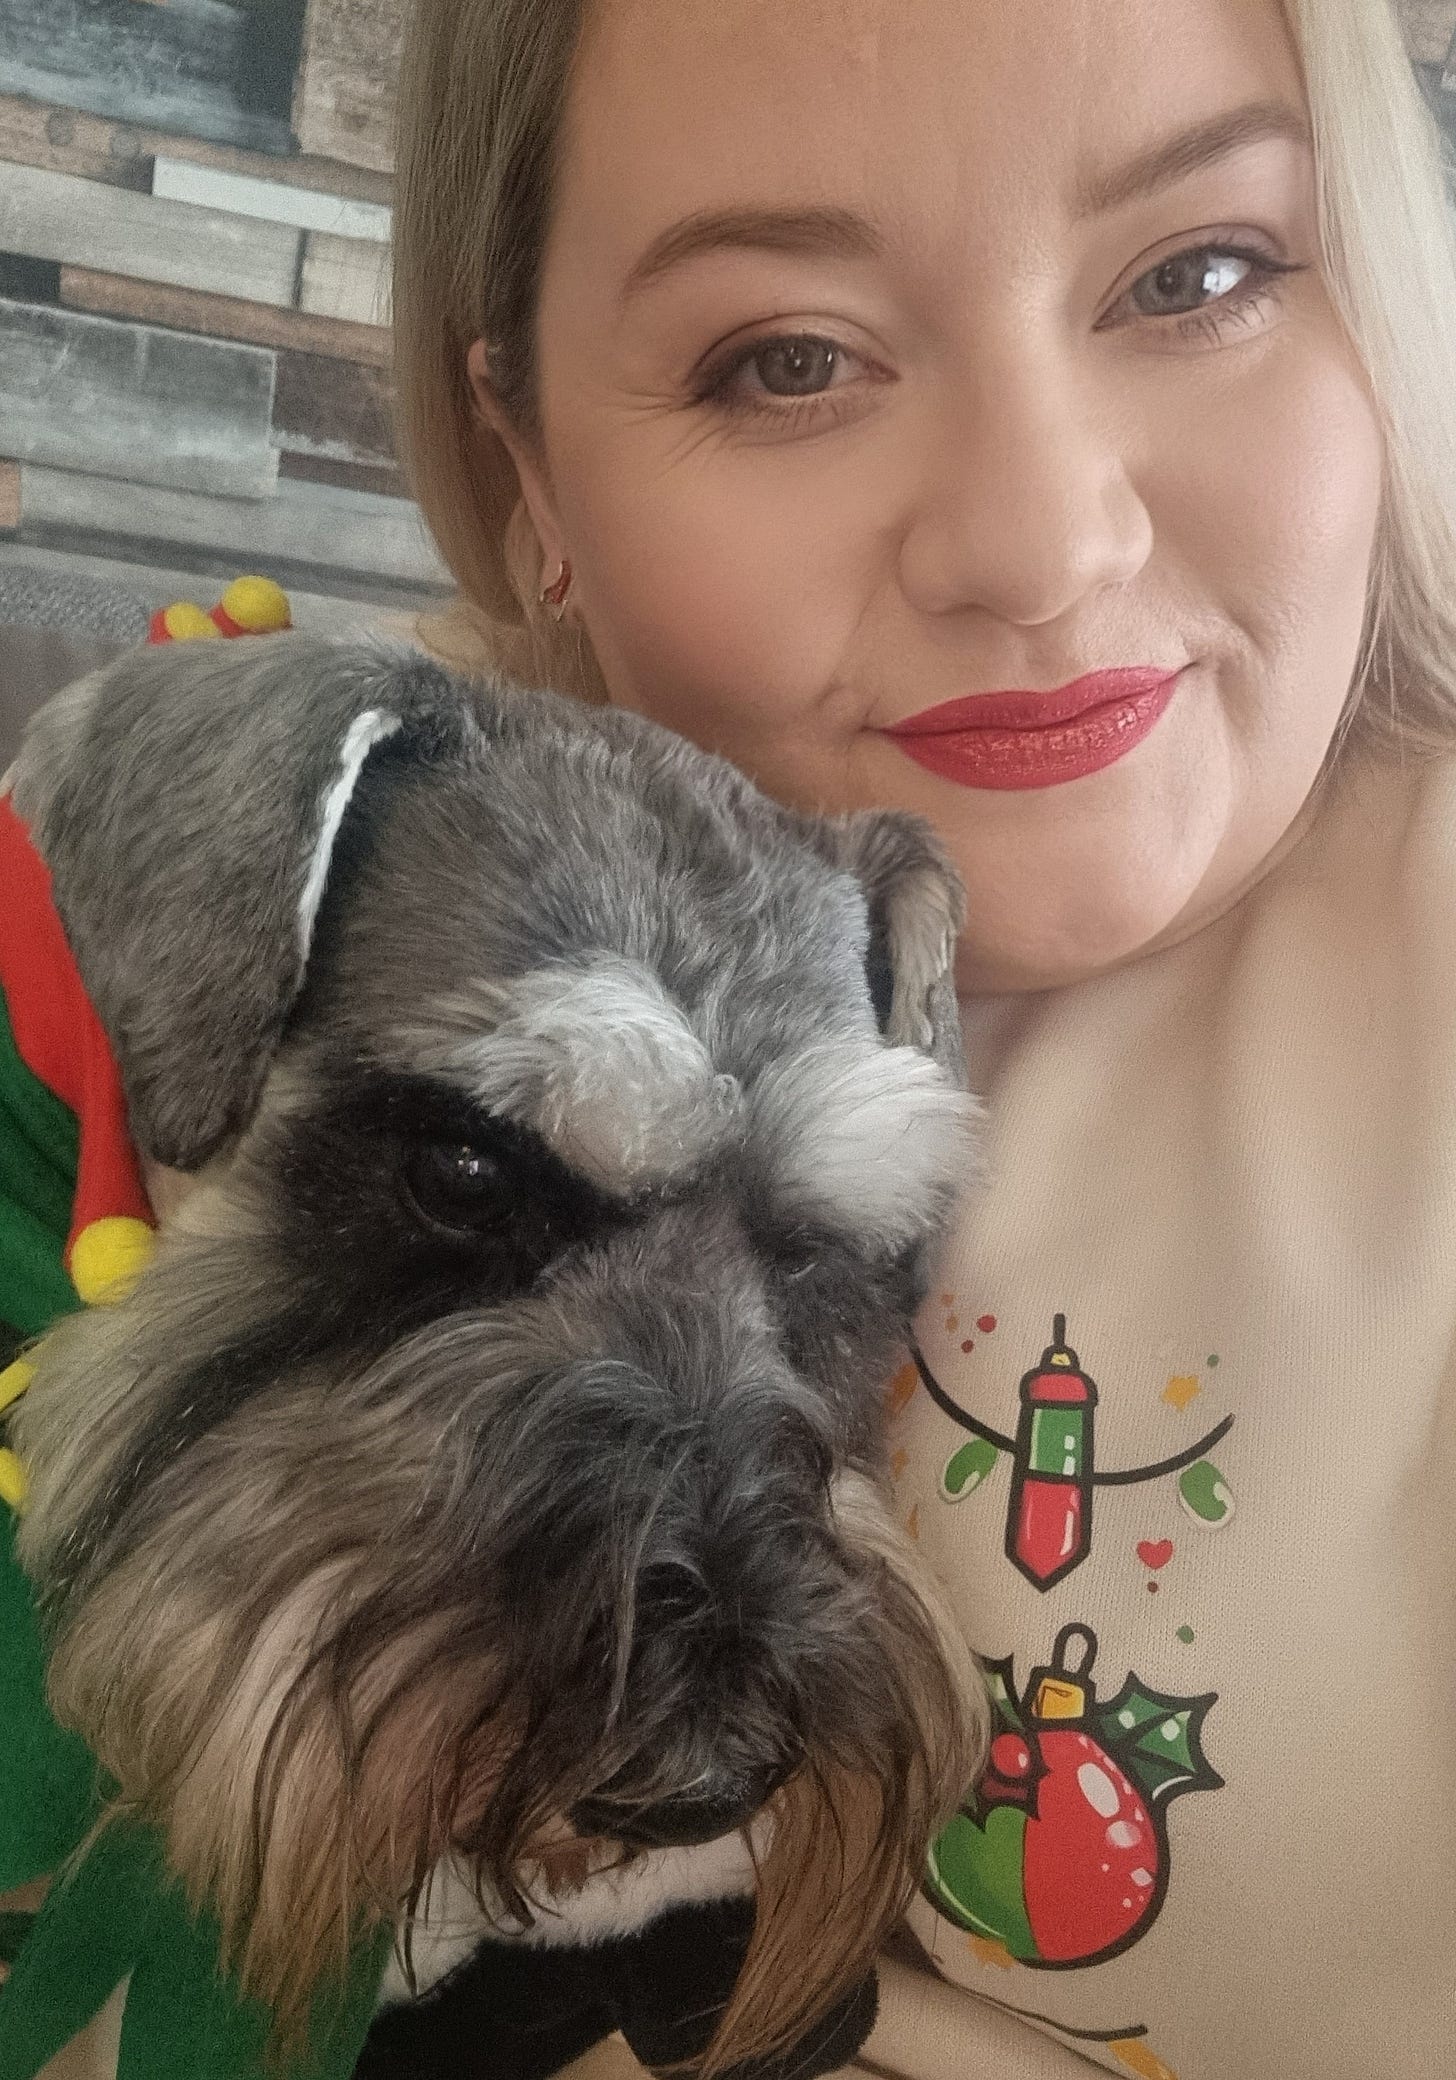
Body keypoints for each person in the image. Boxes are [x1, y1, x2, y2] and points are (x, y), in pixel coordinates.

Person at [384, 1, 1456, 2076]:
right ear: (523, 459)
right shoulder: (313, 932)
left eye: (1196, 272)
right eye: (786, 359)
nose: (1039, 547)